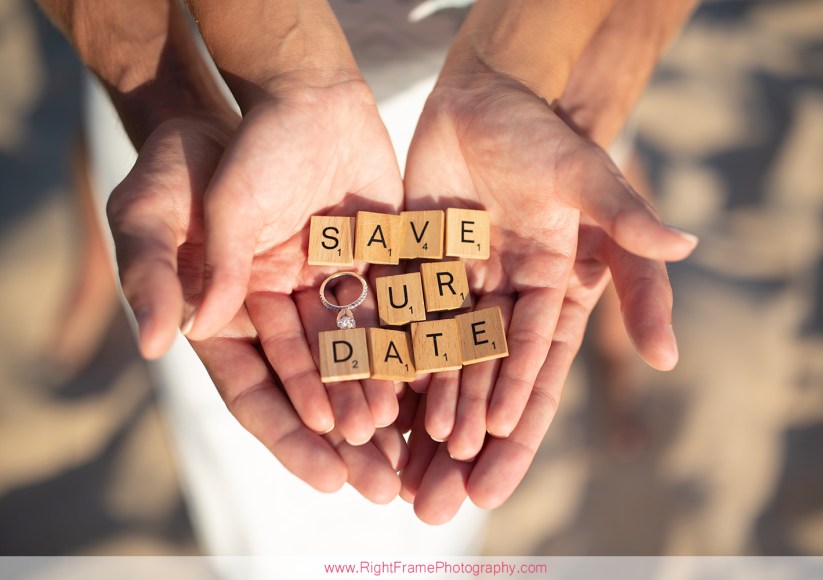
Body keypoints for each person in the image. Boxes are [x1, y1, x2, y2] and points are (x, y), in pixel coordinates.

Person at [37, 0, 698, 562]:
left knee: (582, 209)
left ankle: (610, 329)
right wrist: (166, 100)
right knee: (161, 215)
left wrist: (596, 94)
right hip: (239, 119)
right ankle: (93, 274)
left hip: (524, 104)